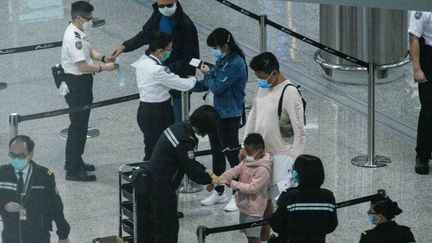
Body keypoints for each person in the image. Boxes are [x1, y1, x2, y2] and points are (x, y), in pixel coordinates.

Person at [133, 105, 221, 243]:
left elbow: (188, 162)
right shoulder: (184, 140)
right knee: (167, 228)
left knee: (155, 226)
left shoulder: (180, 127)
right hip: (161, 187)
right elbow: (191, 169)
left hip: (154, 181)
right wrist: (210, 178)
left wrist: (206, 172)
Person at [242, 52, 305, 240]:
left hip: (281, 157)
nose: (260, 81)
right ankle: (263, 238)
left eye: (262, 77)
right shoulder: (263, 88)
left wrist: (294, 159)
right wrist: (245, 145)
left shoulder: (290, 93)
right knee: (262, 201)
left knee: (280, 202)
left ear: (274, 73)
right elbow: (253, 115)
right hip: (261, 155)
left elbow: (299, 129)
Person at [112, 0, 199, 123]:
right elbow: (146, 34)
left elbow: (190, 57)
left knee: (179, 119)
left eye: (169, 5)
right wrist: (125, 46)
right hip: (160, 71)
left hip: (176, 73)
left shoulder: (186, 25)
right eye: (161, 6)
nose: (165, 9)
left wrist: (168, 71)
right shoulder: (158, 15)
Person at [61, 1, 117, 182]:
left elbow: (88, 50)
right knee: (77, 126)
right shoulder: (73, 37)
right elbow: (83, 66)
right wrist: (104, 68)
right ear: (78, 17)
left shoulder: (78, 31)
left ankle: (77, 160)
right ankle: (72, 168)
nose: (90, 22)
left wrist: (102, 57)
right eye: (88, 19)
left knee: (81, 124)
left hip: (82, 82)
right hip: (77, 84)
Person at [194, 28, 247, 212]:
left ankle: (238, 194)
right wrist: (188, 83)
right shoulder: (223, 60)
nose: (214, 50)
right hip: (215, 114)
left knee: (232, 156)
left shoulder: (237, 64)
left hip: (229, 115)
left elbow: (217, 86)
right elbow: (209, 83)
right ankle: (218, 190)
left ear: (225, 45)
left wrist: (207, 74)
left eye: (216, 47)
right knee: (216, 153)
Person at [131, 31, 197, 161]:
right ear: (160, 51)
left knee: (150, 145)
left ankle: (148, 174)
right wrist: (193, 79)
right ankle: (155, 177)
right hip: (158, 113)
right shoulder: (158, 70)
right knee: (160, 147)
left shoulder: (142, 62)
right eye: (168, 49)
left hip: (144, 109)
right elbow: (183, 84)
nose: (170, 52)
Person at [0, 135, 70, 243]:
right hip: (11, 235)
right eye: (12, 155)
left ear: (30, 154)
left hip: (38, 235)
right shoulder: (2, 175)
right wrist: (4, 205)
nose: (16, 159)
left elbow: (55, 206)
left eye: (21, 156)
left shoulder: (44, 176)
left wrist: (63, 235)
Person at [269, 155, 338, 243]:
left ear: (300, 173)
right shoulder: (328, 196)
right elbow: (332, 225)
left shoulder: (289, 196)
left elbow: (277, 225)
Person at [216, 133, 271, 243]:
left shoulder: (263, 169)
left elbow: (252, 188)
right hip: (244, 206)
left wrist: (233, 184)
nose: (245, 155)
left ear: (260, 152)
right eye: (244, 150)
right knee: (247, 234)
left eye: (248, 152)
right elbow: (235, 170)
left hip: (254, 210)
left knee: (253, 238)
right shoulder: (247, 161)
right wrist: (219, 179)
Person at [408, 11, 432, 175]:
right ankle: (422, 155)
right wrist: (417, 69)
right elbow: (414, 37)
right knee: (429, 109)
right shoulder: (422, 7)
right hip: (429, 56)